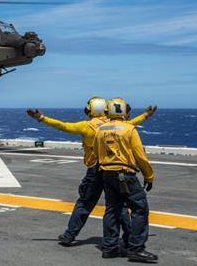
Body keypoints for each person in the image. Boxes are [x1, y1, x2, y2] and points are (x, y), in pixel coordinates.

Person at [26, 98, 156, 248]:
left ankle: (69, 235)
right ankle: (128, 239)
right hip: (112, 170)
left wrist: (41, 118)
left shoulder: (86, 126)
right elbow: (131, 124)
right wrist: (146, 115)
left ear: (90, 110)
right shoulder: (112, 124)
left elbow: (62, 126)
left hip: (95, 171)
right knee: (118, 207)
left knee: (85, 203)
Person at [92, 97, 158, 262]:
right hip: (125, 175)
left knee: (112, 210)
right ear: (125, 112)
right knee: (140, 209)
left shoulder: (100, 130)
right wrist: (149, 176)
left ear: (108, 111)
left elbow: (94, 152)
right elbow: (140, 156)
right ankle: (136, 248)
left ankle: (109, 248)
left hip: (107, 174)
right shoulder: (129, 129)